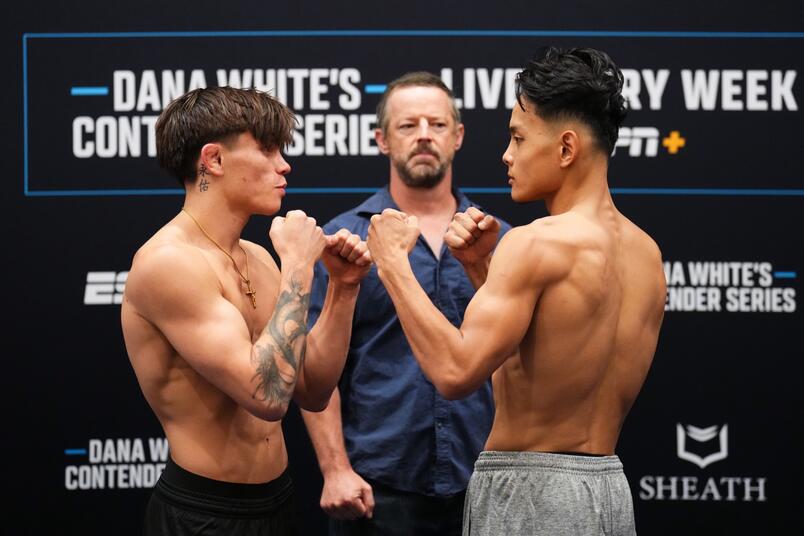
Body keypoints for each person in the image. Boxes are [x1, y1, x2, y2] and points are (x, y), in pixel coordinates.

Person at [366, 47, 666, 535]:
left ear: (566, 149)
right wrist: (479, 267)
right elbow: (539, 358)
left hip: (529, 492)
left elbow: (455, 371)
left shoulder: (534, 241)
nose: (507, 155)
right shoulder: (646, 254)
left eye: (518, 137)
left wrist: (394, 264)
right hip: (608, 490)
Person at [121, 86, 372, 535]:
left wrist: (343, 287)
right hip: (204, 513)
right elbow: (267, 397)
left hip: (276, 501)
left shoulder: (256, 256)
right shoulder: (168, 263)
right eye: (267, 149)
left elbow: (312, 388)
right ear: (214, 160)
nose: (284, 165)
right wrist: (298, 264)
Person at [301, 72, 510, 535]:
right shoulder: (343, 240)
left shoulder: (500, 239)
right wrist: (335, 468)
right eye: (407, 125)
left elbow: (523, 365)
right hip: (378, 489)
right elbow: (316, 369)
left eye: (436, 125)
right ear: (381, 139)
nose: (423, 136)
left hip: (489, 481)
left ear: (457, 137)